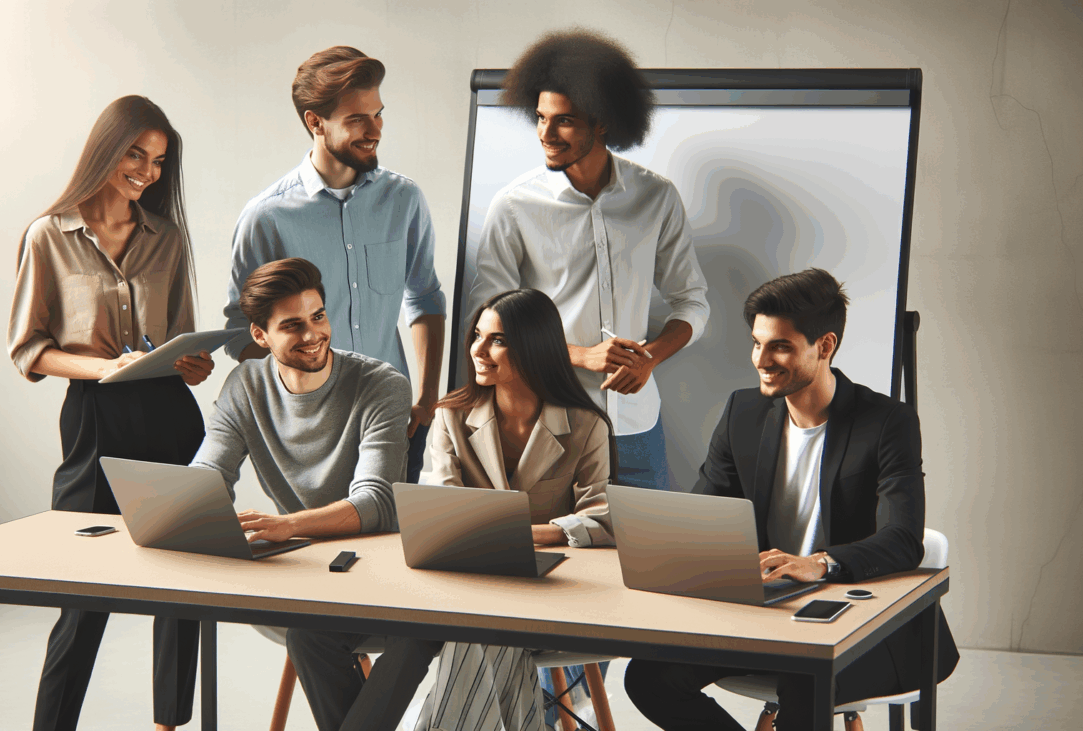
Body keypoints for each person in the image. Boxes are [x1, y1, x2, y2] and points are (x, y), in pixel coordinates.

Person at [623, 269, 960, 731]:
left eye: (779, 345)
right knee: (649, 677)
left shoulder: (886, 421)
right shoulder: (743, 411)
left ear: (824, 346)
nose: (762, 359)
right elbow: (706, 516)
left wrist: (820, 563)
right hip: (768, 617)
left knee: (806, 679)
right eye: (757, 343)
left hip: (864, 623)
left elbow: (903, 539)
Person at [7, 95, 216, 731]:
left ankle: (169, 723)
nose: (148, 172)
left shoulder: (168, 238)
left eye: (158, 161)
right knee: (83, 590)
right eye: (136, 154)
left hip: (171, 417)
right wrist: (104, 368)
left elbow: (182, 335)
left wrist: (193, 364)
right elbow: (29, 350)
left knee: (182, 582)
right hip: (96, 420)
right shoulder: (50, 235)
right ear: (107, 149)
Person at [190, 257, 438, 731]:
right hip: (309, 576)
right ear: (260, 336)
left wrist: (285, 526)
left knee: (411, 632)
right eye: (293, 325)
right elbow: (209, 472)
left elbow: (377, 505)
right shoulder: (245, 385)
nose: (313, 334)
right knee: (308, 632)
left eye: (318, 316)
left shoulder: (380, 384)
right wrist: (178, 508)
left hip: (391, 571)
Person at [468, 29, 710, 493]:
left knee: (646, 558)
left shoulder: (656, 197)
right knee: (559, 556)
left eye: (564, 121)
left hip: (637, 428)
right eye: (540, 118)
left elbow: (692, 303)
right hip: (552, 423)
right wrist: (581, 355)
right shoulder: (514, 205)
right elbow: (486, 317)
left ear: (602, 122)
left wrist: (649, 359)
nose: (546, 134)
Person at [222, 45, 446, 483]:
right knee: (315, 546)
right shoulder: (266, 217)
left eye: (378, 114)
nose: (374, 130)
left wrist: (427, 397)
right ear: (315, 122)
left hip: (395, 416)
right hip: (311, 427)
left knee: (390, 541)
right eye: (357, 119)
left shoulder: (404, 200)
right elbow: (239, 331)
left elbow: (424, 297)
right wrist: (294, 402)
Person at [411, 288, 616, 731]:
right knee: (486, 627)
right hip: (464, 586)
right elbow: (438, 511)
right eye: (477, 336)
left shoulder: (586, 426)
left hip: (551, 592)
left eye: (497, 340)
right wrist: (533, 531)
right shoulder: (450, 417)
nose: (478, 351)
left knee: (483, 631)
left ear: (535, 348)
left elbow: (602, 519)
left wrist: (513, 535)